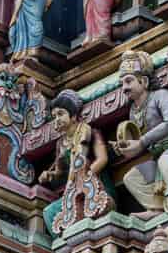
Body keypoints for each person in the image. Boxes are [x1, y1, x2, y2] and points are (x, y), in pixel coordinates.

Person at [39, 89, 113, 235]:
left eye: (61, 114)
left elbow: (102, 159)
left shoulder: (90, 132)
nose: (57, 119)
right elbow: (60, 171)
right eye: (54, 116)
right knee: (49, 212)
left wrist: (85, 177)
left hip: (96, 186)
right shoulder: (61, 144)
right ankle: (64, 246)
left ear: (73, 116)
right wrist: (50, 175)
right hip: (73, 191)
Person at [116, 49, 168, 213]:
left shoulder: (161, 96)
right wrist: (124, 148)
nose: (124, 88)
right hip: (156, 155)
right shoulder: (133, 111)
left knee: (165, 162)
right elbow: (139, 144)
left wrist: (142, 141)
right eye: (122, 83)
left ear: (143, 82)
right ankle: (157, 208)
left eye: (129, 81)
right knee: (131, 178)